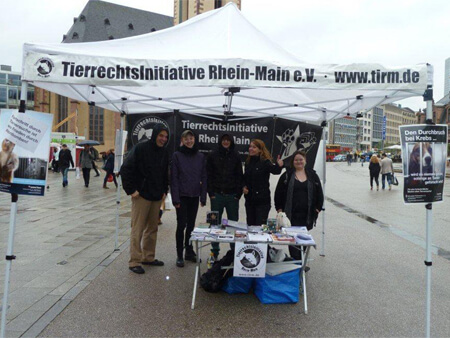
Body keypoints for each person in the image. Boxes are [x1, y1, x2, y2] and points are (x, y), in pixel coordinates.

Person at [120, 123, 169, 274]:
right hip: (141, 195)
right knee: (138, 229)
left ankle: (148, 257)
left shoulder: (164, 152)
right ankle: (134, 260)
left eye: (165, 137)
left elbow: (164, 172)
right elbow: (126, 168)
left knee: (152, 229)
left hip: (156, 195)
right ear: (154, 135)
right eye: (161, 136)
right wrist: (131, 190)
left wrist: (164, 190)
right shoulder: (140, 148)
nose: (163, 139)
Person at [274, 150, 323, 260]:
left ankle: (299, 262)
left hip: (307, 215)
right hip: (291, 215)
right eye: (296, 160)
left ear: (305, 161)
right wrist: (279, 209)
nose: (298, 162)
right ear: (293, 162)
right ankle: (297, 263)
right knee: (293, 241)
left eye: (301, 159)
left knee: (303, 242)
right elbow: (278, 193)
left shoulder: (312, 175)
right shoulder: (287, 175)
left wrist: (317, 209)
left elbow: (319, 193)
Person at [171, 130, 207, 268]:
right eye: (186, 139)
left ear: (194, 140)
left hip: (194, 195)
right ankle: (180, 254)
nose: (189, 141)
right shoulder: (177, 155)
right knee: (181, 225)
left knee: (191, 225)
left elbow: (204, 177)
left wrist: (203, 196)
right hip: (182, 196)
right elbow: (173, 178)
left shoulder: (200, 156)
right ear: (182, 140)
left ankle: (189, 251)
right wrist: (176, 199)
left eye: (191, 138)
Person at [206, 133, 243, 258]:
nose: (226, 142)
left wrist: (238, 195)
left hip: (232, 197)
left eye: (228, 140)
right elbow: (208, 175)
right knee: (214, 224)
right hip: (216, 196)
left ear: (231, 142)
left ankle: (233, 253)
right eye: (224, 140)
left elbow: (239, 176)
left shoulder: (236, 155)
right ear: (220, 141)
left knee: (233, 225)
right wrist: (211, 194)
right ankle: (214, 252)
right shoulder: (213, 154)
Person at [243, 139, 283, 226]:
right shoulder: (248, 162)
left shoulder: (265, 162)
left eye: (254, 147)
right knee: (250, 226)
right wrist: (243, 187)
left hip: (262, 202)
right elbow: (245, 178)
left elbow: (275, 171)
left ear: (260, 150)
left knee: (260, 227)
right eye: (250, 146)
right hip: (250, 201)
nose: (251, 149)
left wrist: (279, 165)